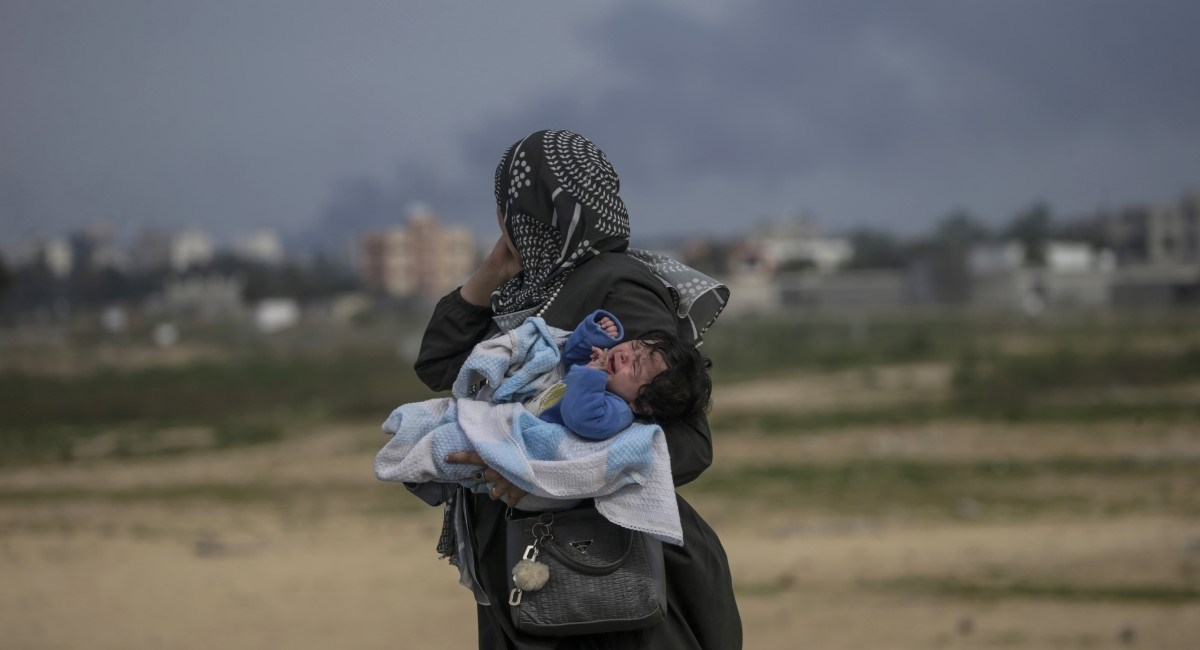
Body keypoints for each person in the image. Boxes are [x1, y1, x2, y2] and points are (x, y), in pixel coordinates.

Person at [412, 129, 742, 649]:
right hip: (530, 564)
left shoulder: (619, 286)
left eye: (514, 210)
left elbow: (687, 444)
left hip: (606, 576)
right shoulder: (528, 290)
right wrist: (496, 267)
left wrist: (550, 478)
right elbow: (439, 365)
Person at [535, 310, 713, 440]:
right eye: (635, 346)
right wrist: (597, 334)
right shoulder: (602, 372)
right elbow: (569, 357)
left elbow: (580, 418)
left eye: (635, 366)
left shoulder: (617, 410)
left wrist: (592, 372)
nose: (625, 355)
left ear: (641, 404)